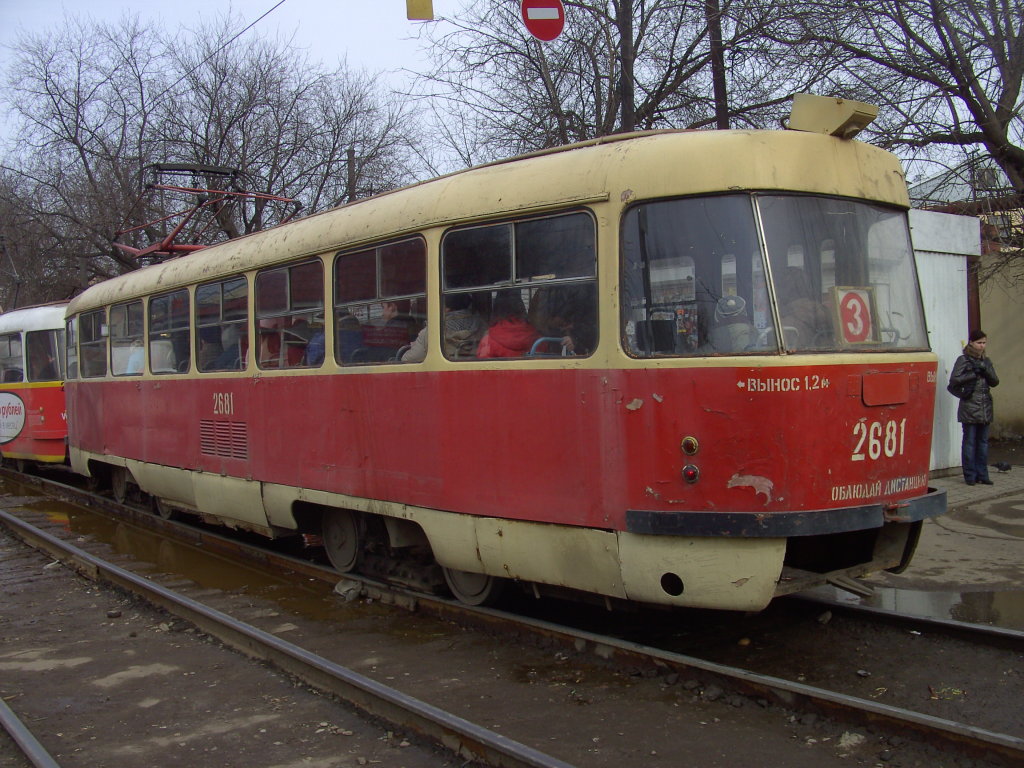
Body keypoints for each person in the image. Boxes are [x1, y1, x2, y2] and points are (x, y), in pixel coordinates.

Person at [949, 329, 999, 486]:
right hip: (970, 407)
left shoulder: (986, 360)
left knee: (983, 443)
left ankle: (983, 474)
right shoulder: (963, 359)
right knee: (970, 442)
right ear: (971, 342)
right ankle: (970, 476)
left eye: (984, 343)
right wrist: (973, 373)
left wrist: (986, 370)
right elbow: (954, 380)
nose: (981, 346)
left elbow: (995, 381)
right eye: (979, 343)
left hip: (985, 408)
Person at [402, 294, 486, 362]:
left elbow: (409, 359)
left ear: (447, 309)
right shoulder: (483, 325)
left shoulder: (431, 331)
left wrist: (414, 346)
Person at [476, 292, 539, 358]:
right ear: (521, 307)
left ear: (496, 308)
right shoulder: (536, 336)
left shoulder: (489, 339)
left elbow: (482, 363)